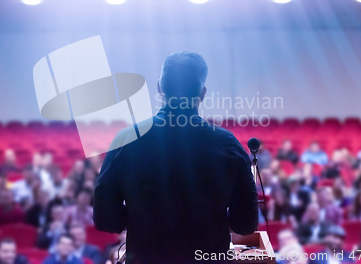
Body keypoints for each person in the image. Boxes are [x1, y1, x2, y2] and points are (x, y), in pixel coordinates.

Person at [94, 51, 258, 263]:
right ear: (203, 93)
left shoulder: (126, 140)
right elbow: (245, 224)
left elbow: (106, 219)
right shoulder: (228, 145)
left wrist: (142, 216)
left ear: (160, 87)